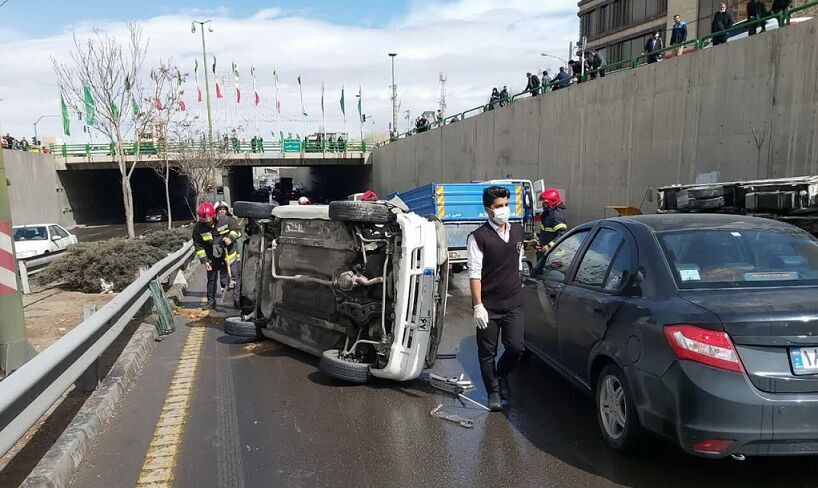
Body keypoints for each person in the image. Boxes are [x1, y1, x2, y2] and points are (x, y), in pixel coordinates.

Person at [467, 186, 526, 412]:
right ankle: (493, 391)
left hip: (513, 303)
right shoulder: (478, 237)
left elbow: (518, 262)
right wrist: (478, 306)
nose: (503, 210)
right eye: (498, 206)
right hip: (489, 307)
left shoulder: (518, 231)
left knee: (516, 347)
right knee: (487, 352)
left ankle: (501, 375)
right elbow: (474, 274)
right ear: (488, 210)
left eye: (505, 205)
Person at [193, 202, 226, 310]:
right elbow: (198, 245)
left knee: (226, 279)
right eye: (204, 222)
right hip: (211, 256)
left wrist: (230, 238)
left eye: (209, 221)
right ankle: (211, 301)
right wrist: (205, 260)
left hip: (226, 254)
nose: (207, 224)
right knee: (211, 279)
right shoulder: (199, 227)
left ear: (213, 216)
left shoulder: (223, 221)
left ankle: (234, 301)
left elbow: (237, 231)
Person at [213, 201, 243, 309]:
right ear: (216, 211)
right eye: (219, 209)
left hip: (231, 253)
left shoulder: (231, 221)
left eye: (223, 209)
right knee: (224, 279)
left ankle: (237, 301)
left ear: (226, 210)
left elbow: (238, 232)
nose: (222, 211)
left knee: (235, 278)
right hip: (220, 255)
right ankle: (226, 294)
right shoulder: (214, 223)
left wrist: (230, 238)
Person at [535, 189, 568, 261]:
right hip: (546, 254)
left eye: (545, 203)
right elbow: (547, 232)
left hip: (554, 256)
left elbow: (562, 235)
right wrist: (538, 240)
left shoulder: (555, 217)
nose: (543, 205)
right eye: (543, 203)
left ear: (552, 202)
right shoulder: (547, 215)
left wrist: (548, 246)